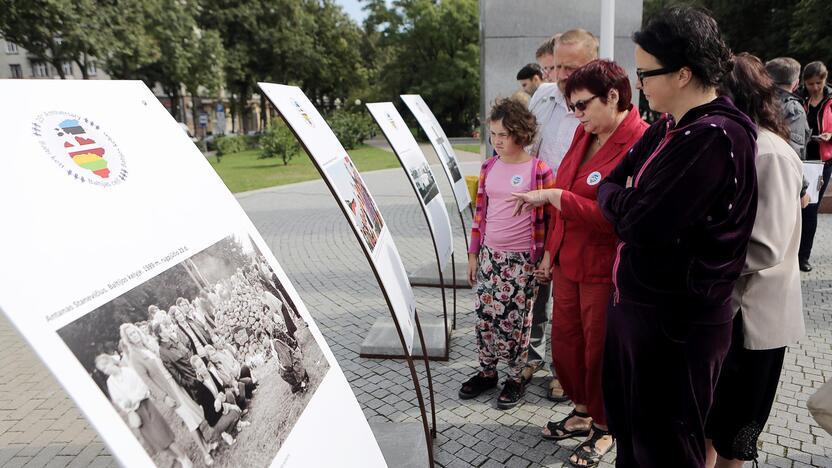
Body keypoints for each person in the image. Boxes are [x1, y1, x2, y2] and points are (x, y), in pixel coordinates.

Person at [596, 7, 758, 467]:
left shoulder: (714, 136)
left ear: (683, 73)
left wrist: (618, 199)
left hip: (675, 323)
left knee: (665, 446)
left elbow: (640, 223)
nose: (639, 83)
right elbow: (612, 180)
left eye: (645, 73)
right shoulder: (672, 125)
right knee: (633, 435)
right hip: (643, 311)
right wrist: (619, 196)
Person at [512, 59, 648, 467]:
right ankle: (583, 411)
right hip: (568, 263)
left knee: (600, 351)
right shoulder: (582, 133)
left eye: (582, 105)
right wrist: (550, 255)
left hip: (604, 270)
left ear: (613, 97)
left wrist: (557, 199)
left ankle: (607, 427)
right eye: (572, 107)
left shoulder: (639, 140)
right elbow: (564, 191)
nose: (576, 115)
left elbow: (616, 216)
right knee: (567, 347)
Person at [702, 52, 805, 468]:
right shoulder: (735, 142)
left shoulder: (769, 152)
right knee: (709, 423)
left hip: (754, 319)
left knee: (733, 435)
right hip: (726, 310)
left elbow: (766, 246)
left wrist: (695, 256)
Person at [459, 98, 554, 409]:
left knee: (516, 323)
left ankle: (514, 378)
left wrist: (545, 259)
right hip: (490, 256)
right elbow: (479, 216)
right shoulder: (489, 166)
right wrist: (473, 255)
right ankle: (487, 373)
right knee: (485, 318)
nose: (497, 141)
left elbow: (551, 220)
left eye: (503, 134)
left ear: (520, 133)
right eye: (493, 134)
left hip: (522, 262)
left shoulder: (538, 169)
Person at [523, 29, 600, 403]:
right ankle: (531, 355)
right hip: (539, 212)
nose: (563, 73)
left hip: (576, 213)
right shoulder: (543, 95)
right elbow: (528, 143)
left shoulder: (599, 104)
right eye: (556, 66)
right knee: (536, 288)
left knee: (570, 302)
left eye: (573, 66)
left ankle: (564, 371)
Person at [120, 324, 215, 466]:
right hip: (168, 391)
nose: (135, 335)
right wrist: (164, 397)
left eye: (135, 332)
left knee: (193, 415)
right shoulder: (135, 357)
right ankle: (205, 453)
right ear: (128, 339)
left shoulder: (147, 346)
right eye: (131, 335)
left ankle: (206, 444)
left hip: (176, 384)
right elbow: (147, 381)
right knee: (189, 420)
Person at [96, 354, 193, 468]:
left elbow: (143, 388)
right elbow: (118, 400)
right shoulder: (110, 383)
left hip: (146, 406)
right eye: (103, 369)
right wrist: (125, 405)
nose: (106, 370)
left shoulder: (128, 372)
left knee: (163, 435)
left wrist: (132, 399)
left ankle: (184, 458)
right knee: (156, 442)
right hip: (136, 414)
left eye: (106, 366)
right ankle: (178, 458)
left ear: (111, 361)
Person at [797, 61, 832, 272]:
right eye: (810, 83)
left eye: (819, 83)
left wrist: (830, 135)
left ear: (825, 79)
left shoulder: (831, 99)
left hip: (822, 162)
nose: (815, 87)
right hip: (799, 158)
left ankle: (804, 256)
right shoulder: (799, 98)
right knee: (795, 210)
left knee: (810, 210)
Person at [765, 57, 812, 209]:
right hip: (781, 183)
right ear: (796, 83)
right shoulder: (794, 109)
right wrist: (803, 190)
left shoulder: (756, 101)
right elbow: (793, 153)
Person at [189, 356, 243, 447]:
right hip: (214, 417)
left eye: (202, 363)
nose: (203, 367)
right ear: (197, 371)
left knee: (230, 396)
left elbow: (221, 389)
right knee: (235, 412)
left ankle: (237, 423)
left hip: (221, 405)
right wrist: (227, 406)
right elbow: (211, 411)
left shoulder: (210, 373)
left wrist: (220, 398)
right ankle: (225, 433)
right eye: (200, 366)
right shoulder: (199, 387)